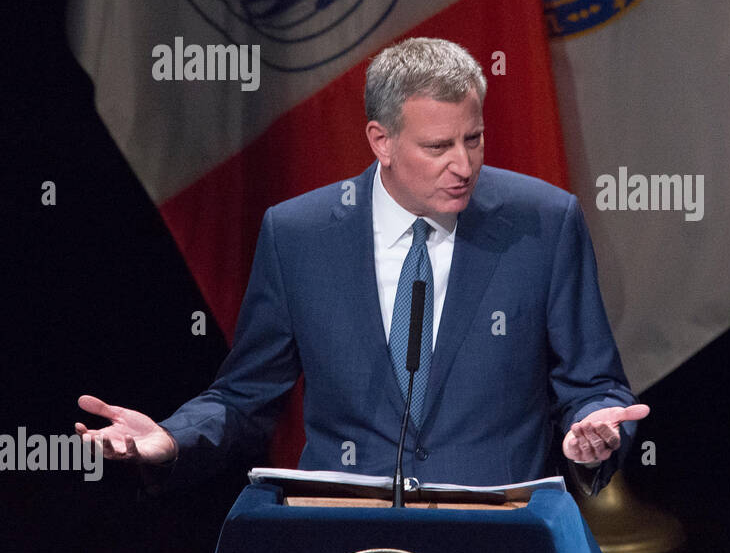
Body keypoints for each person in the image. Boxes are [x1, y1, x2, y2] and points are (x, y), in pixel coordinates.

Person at [75, 37, 648, 495]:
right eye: (437, 146)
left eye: (473, 139)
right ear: (381, 140)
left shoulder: (543, 222)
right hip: (349, 543)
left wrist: (595, 428)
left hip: (498, 534)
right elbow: (245, 395)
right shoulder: (298, 234)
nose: (463, 164)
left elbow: (593, 383)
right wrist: (173, 437)